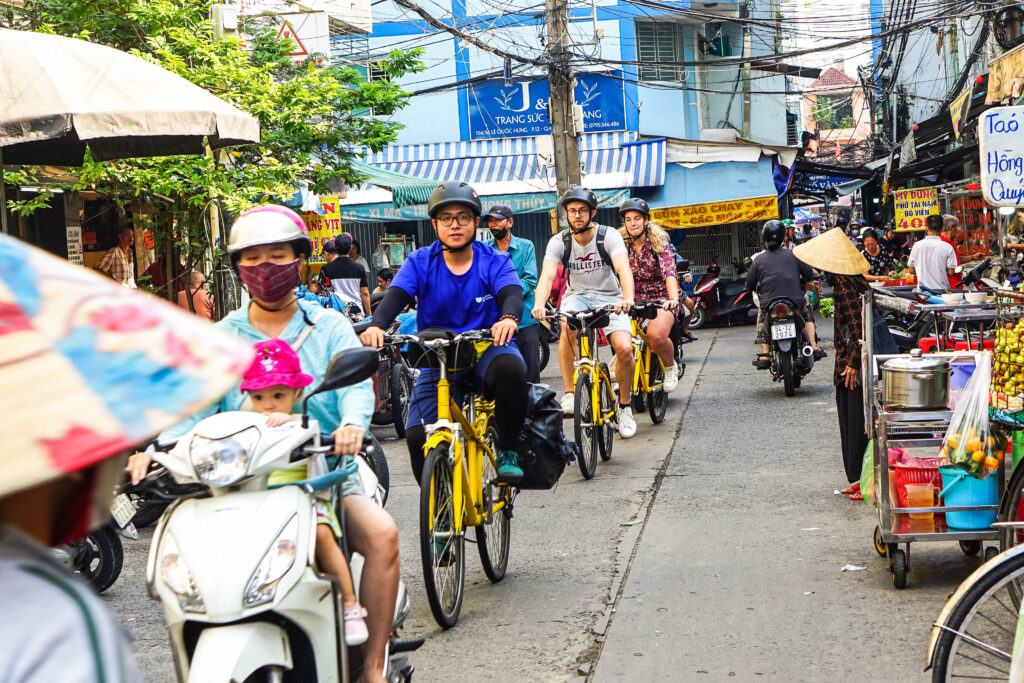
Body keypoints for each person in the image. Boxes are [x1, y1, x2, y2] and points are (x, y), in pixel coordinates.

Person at [127, 205, 397, 683]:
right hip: (239, 485)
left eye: (278, 255)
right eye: (253, 258)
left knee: (381, 536)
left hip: (322, 471)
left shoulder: (328, 326)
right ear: (237, 268)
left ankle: (371, 667)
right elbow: (194, 408)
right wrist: (158, 449)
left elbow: (355, 387)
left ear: (299, 260)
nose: (266, 268)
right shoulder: (223, 337)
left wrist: (354, 425)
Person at [360, 181, 528, 483]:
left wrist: (508, 318)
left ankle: (507, 450)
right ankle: (441, 511)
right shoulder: (420, 261)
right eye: (446, 218)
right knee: (415, 435)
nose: (455, 225)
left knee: (512, 369)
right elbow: (396, 296)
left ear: (476, 222)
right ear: (435, 223)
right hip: (437, 356)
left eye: (463, 217)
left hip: (486, 349)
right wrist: (376, 326)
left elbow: (512, 294)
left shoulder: (495, 260)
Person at [243, 339, 368, 646]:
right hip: (258, 504)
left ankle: (350, 605)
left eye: (278, 395)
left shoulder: (302, 423)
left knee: (322, 536)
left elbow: (311, 432)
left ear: (296, 394)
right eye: (259, 397)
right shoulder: (244, 426)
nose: (269, 404)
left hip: (304, 502)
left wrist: (292, 424)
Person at [793, 228, 897, 499]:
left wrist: (851, 364)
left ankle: (864, 480)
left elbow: (857, 327)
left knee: (857, 423)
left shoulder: (845, 284)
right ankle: (860, 478)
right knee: (855, 421)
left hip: (854, 362)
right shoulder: (849, 280)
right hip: (852, 358)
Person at [532, 185, 638, 438]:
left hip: (611, 297)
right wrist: (538, 304)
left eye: (582, 210)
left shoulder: (608, 235)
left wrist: (628, 298)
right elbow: (547, 277)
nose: (576, 215)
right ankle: (570, 393)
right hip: (577, 296)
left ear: (593, 212)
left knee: (624, 349)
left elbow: (623, 269)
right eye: (571, 211)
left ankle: (625, 407)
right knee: (567, 325)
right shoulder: (560, 241)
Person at [618, 198, 680, 392]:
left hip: (661, 298)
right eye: (628, 219)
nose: (633, 223)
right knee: (620, 340)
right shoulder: (620, 244)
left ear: (646, 220)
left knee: (655, 335)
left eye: (637, 218)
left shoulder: (658, 242)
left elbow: (669, 272)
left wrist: (673, 300)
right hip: (632, 299)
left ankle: (670, 366)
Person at [745, 220, 825, 369]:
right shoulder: (794, 254)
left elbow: (748, 285)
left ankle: (765, 353)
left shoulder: (759, 259)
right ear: (783, 237)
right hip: (795, 301)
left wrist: (752, 288)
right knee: (806, 315)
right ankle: (813, 346)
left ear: (765, 238)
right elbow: (808, 274)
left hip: (769, 303)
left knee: (762, 318)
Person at [482, 204, 542, 384]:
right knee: (501, 376)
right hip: (496, 323)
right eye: (491, 221)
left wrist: (504, 291)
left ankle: (533, 411)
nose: (493, 225)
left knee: (531, 376)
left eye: (498, 220)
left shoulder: (526, 247)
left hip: (525, 320)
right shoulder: (485, 249)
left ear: (510, 222)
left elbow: (530, 280)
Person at [321, 232, 372, 318]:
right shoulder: (359, 268)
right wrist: (369, 314)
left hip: (336, 315)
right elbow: (365, 293)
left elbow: (326, 293)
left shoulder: (326, 268)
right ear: (350, 248)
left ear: (335, 248)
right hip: (357, 314)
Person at [907, 213, 957, 293]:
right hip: (943, 292)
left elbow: (911, 270)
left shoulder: (917, 246)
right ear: (942, 229)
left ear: (926, 229)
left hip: (923, 293)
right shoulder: (947, 247)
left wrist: (924, 271)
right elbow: (951, 272)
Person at [942, 214, 963, 288]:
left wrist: (972, 257)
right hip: (948, 286)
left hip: (957, 283)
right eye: (956, 227)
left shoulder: (952, 241)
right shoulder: (941, 243)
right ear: (951, 228)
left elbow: (956, 259)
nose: (957, 230)